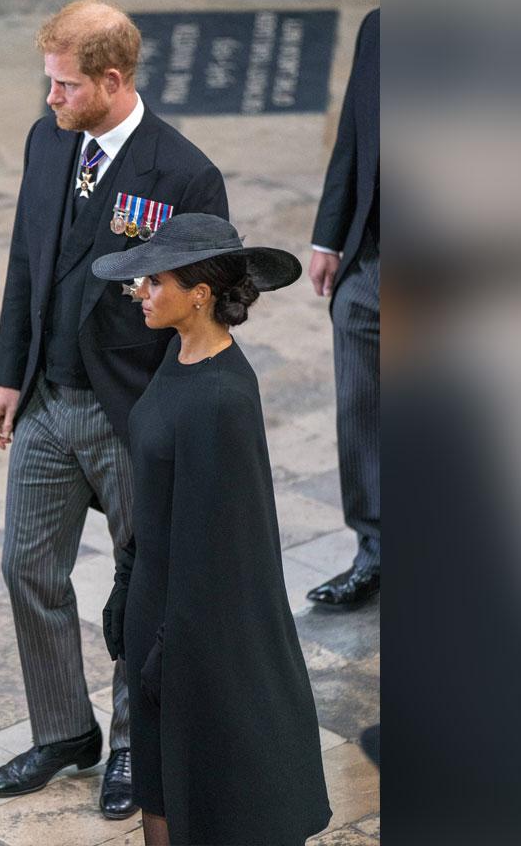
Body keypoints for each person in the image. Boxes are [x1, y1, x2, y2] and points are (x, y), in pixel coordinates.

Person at [0, 0, 229, 819]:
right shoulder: (47, 139)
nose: (49, 98)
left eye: (62, 85)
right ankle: (64, 730)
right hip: (50, 402)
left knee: (141, 584)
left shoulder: (184, 174)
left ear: (111, 81)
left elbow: (209, 309)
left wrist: (174, 419)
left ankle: (132, 743)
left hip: (131, 413)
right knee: (26, 565)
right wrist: (9, 373)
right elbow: (26, 257)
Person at [95, 213, 332, 845]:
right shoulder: (179, 356)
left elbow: (222, 550)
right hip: (156, 607)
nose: (141, 294)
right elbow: (156, 500)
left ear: (198, 294)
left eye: (153, 283)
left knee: (204, 792)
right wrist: (126, 586)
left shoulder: (224, 397)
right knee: (157, 785)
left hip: (194, 634)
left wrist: (171, 649)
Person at [306, 9, 382, 607]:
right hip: (371, 261)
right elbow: (353, 139)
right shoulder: (379, 28)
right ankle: (376, 550)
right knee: (360, 409)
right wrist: (329, 238)